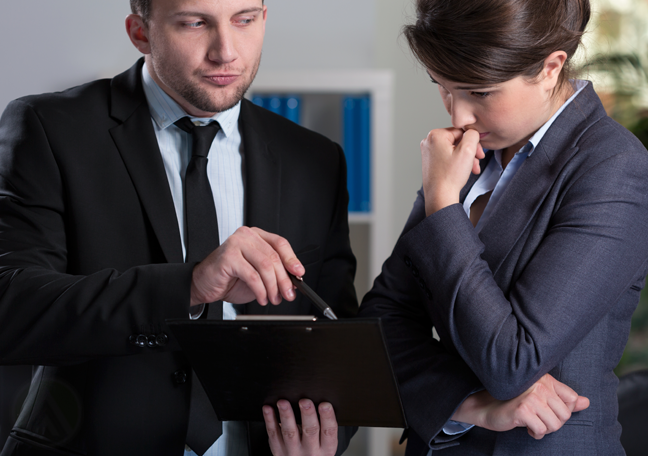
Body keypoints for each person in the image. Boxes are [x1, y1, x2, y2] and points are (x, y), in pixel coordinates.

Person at [0, 0, 358, 455]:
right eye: (195, 23)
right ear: (140, 32)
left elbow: (336, 334)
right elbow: (10, 308)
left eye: (244, 20)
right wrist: (189, 286)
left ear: (264, 20)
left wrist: (327, 437)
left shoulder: (317, 159)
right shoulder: (49, 128)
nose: (226, 51)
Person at [358, 0, 648, 454]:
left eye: (480, 92)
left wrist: (441, 204)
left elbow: (514, 362)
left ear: (551, 67)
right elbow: (379, 324)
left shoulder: (614, 167)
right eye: (443, 87)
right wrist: (468, 404)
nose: (459, 117)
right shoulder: (465, 159)